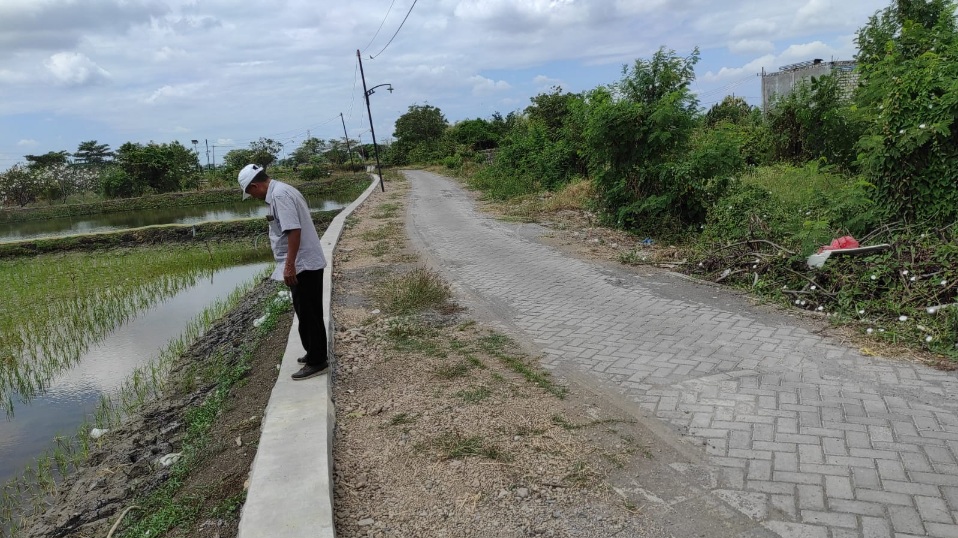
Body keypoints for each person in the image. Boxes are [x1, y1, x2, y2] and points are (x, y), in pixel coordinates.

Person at [238, 163, 329, 380]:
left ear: (255, 186)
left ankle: (317, 361)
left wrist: (289, 266)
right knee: (308, 310)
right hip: (305, 262)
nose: (252, 197)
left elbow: (293, 231)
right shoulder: (282, 190)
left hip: (302, 264)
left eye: (250, 193)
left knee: (308, 312)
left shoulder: (279, 195)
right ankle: (314, 353)